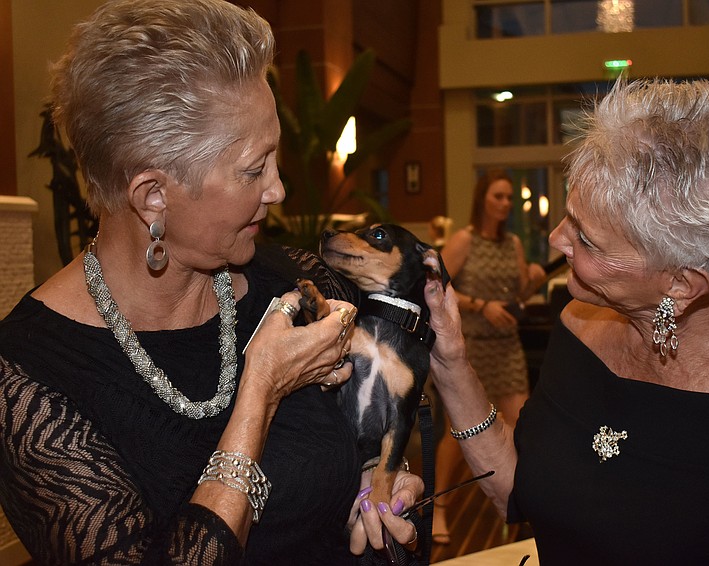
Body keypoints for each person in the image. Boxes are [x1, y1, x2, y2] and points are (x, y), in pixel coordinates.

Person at [0, 1, 422, 564]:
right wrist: (259, 392)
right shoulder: (28, 380)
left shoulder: (301, 282)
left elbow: (377, 431)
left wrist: (380, 483)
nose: (277, 190)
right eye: (254, 169)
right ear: (153, 195)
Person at [423, 78, 709, 564]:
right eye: (569, 216)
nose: (556, 239)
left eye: (585, 239)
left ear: (681, 284)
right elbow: (523, 491)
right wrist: (452, 362)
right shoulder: (580, 323)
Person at [430, 169, 545, 544]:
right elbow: (435, 284)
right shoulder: (465, 240)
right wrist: (481, 306)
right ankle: (439, 509)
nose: (505, 204)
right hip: (472, 347)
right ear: (483, 199)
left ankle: (526, 507)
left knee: (521, 424)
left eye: (509, 198)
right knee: (458, 432)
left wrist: (533, 280)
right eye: (498, 196)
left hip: (506, 346)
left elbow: (518, 296)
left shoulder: (512, 243)